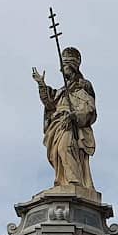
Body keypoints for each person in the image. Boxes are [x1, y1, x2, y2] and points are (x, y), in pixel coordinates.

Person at [32, 46, 97, 190]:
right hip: (58, 124)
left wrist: (74, 115)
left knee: (64, 148)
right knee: (55, 154)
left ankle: (74, 182)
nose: (62, 70)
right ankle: (63, 181)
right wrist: (41, 84)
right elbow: (50, 103)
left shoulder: (82, 88)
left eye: (65, 66)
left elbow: (90, 109)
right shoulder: (62, 91)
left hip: (70, 124)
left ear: (73, 68)